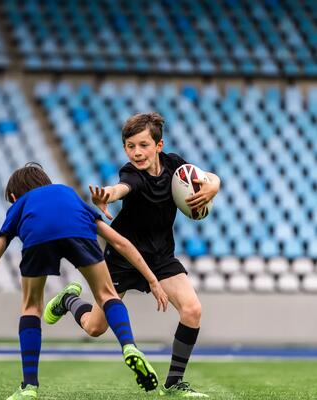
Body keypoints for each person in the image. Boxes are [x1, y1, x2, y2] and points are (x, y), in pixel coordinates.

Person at [0, 162, 169, 400]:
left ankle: (30, 386)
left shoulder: (20, 206)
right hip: (78, 231)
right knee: (107, 295)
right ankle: (128, 345)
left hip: (37, 238)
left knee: (31, 307)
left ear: (14, 197)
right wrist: (152, 280)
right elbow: (121, 243)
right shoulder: (67, 194)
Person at [44, 113, 221, 398]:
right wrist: (107, 196)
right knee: (94, 328)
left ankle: (174, 383)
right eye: (130, 146)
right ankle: (69, 300)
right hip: (122, 257)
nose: (136, 152)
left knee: (192, 310)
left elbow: (209, 177)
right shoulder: (132, 173)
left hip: (161, 256)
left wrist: (214, 185)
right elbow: (122, 189)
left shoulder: (175, 165)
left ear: (159, 145)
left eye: (143, 145)